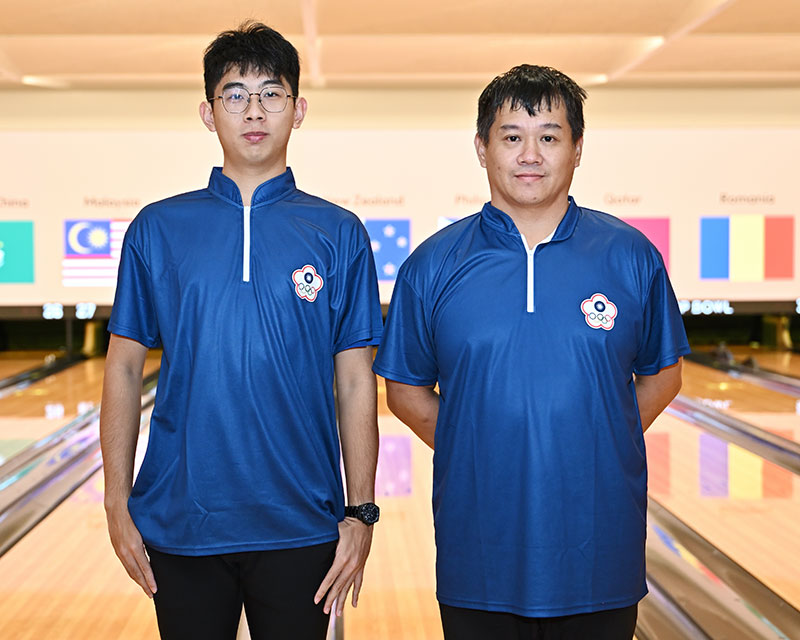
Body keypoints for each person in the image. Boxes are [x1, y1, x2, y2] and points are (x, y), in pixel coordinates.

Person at [373, 64, 689, 640]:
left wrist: (596, 439)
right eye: (511, 136)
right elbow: (405, 391)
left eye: (549, 136)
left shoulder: (631, 256)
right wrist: (479, 443)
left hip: (601, 555)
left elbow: (664, 375)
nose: (530, 155)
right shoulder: (432, 265)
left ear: (577, 148)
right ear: (481, 147)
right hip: (478, 556)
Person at [100, 22, 383, 640]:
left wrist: (361, 512)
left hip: (302, 524)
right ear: (208, 112)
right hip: (181, 521)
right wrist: (115, 500)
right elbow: (122, 366)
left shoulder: (339, 233)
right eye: (235, 94)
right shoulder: (157, 229)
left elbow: (355, 382)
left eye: (271, 94)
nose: (254, 111)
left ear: (298, 110)